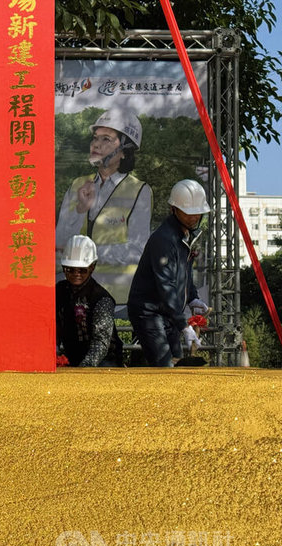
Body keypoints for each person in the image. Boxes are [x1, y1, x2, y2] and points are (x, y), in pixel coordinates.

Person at [55, 108, 153, 304]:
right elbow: (59, 241)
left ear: (125, 151)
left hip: (115, 298)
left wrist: (90, 252)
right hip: (73, 296)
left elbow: (137, 249)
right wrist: (80, 211)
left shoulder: (139, 190)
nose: (96, 144)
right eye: (95, 138)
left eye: (106, 139)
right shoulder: (77, 185)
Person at [127, 179, 211, 367]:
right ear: (174, 209)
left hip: (167, 313)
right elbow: (166, 286)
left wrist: (193, 298)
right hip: (148, 312)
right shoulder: (164, 240)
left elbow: (184, 274)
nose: (194, 217)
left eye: (198, 212)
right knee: (165, 366)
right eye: (188, 212)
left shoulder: (186, 236)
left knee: (178, 362)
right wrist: (184, 325)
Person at [56, 235, 123, 367]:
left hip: (104, 361)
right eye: (70, 269)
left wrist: (84, 369)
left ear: (92, 267)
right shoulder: (59, 291)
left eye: (82, 270)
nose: (76, 274)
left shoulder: (101, 299)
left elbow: (101, 342)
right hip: (72, 358)